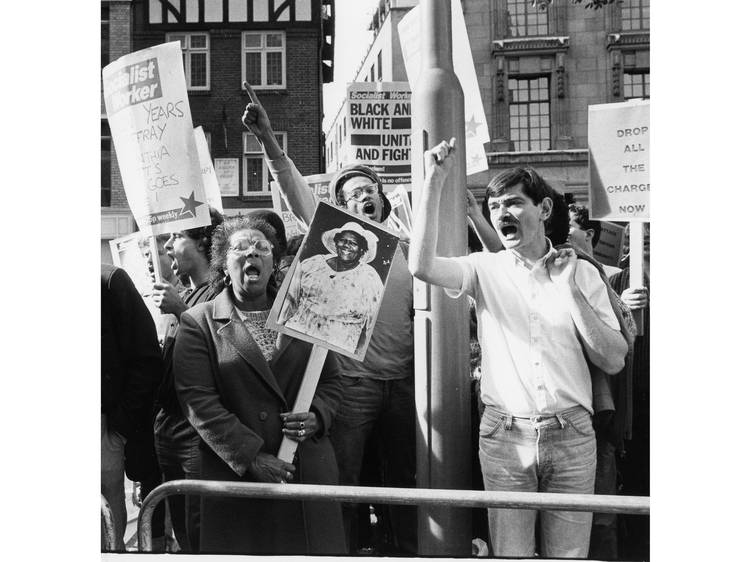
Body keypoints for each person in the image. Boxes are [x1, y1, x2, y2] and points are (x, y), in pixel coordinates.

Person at [409, 139, 628, 558]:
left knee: (569, 557)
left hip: (572, 436)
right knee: (511, 556)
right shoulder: (482, 268)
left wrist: (569, 291)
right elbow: (421, 266)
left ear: (543, 210)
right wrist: (434, 181)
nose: (501, 215)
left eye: (512, 203)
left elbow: (613, 358)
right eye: (494, 208)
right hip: (504, 437)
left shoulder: (581, 272)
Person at [242, 82, 417, 554]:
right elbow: (296, 190)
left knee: (405, 481)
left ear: (382, 200)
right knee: (348, 482)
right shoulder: (334, 236)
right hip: (355, 386)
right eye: (352, 194)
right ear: (339, 210)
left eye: (369, 192)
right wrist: (268, 141)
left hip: (404, 385)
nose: (362, 198)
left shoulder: (408, 245)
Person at [172, 215, 346, 554]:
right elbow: (199, 402)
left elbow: (331, 381)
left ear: (274, 262)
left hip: (304, 468)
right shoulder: (198, 323)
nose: (252, 254)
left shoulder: (306, 313)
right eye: (240, 248)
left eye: (261, 248)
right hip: (238, 475)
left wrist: (318, 414)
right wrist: (252, 457)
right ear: (223, 264)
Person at [151, 207, 224, 552]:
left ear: (203, 242)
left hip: (197, 431)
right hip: (168, 426)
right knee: (180, 527)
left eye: (176, 237)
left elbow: (226, 351)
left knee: (201, 529)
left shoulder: (220, 293)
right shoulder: (182, 293)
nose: (167, 247)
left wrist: (181, 310)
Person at [101, 264, 163, 551]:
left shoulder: (109, 281)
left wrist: (119, 429)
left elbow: (146, 358)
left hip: (103, 428)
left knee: (104, 530)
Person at [278, 221, 384, 355]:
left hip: (340, 352)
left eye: (353, 243)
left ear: (362, 250)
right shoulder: (312, 263)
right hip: (297, 343)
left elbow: (370, 325)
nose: (347, 246)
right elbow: (289, 303)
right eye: (343, 240)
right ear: (336, 243)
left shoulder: (369, 277)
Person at [567, 203, 622, 278]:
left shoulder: (614, 275)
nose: (562, 232)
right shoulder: (558, 275)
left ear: (589, 234)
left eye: (568, 227)